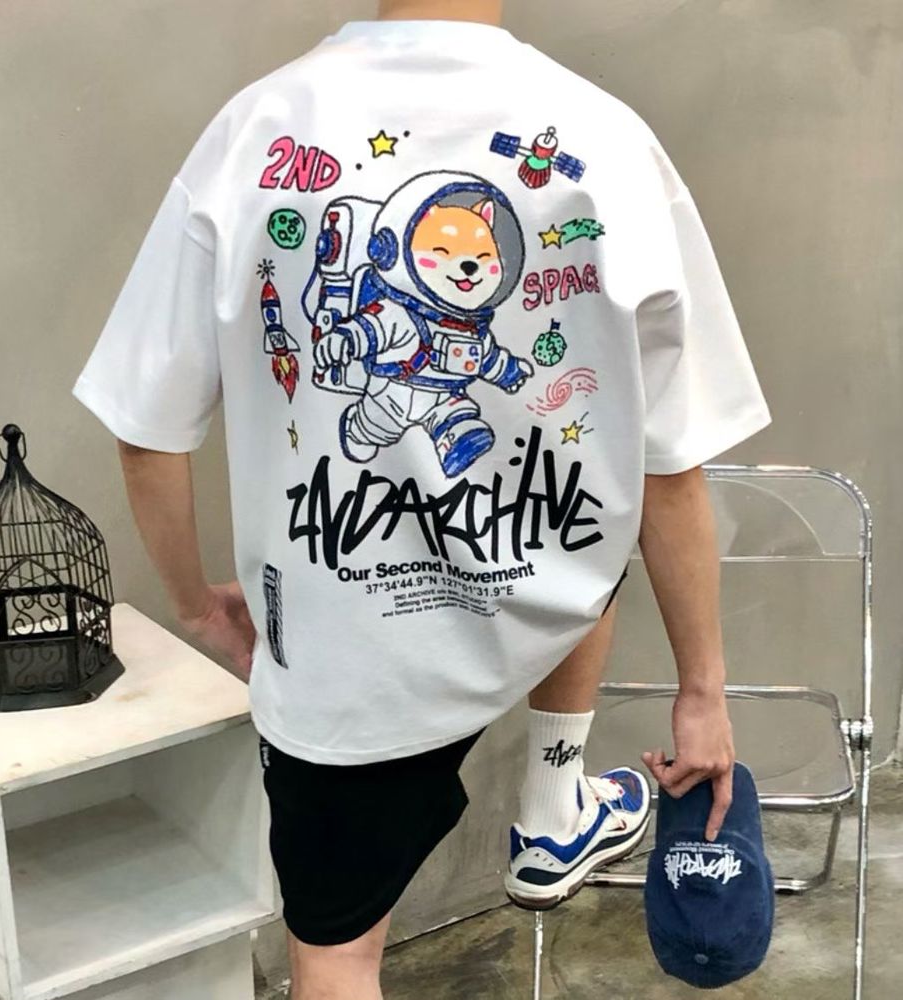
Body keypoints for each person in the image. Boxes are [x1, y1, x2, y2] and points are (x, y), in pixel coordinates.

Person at [70, 0, 771, 996]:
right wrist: (701, 692)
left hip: (344, 651)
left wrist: (195, 602)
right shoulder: (612, 141)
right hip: (538, 580)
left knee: (338, 953)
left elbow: (146, 431)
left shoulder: (255, 132)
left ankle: (554, 807)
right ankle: (553, 803)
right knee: (591, 516)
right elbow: (665, 463)